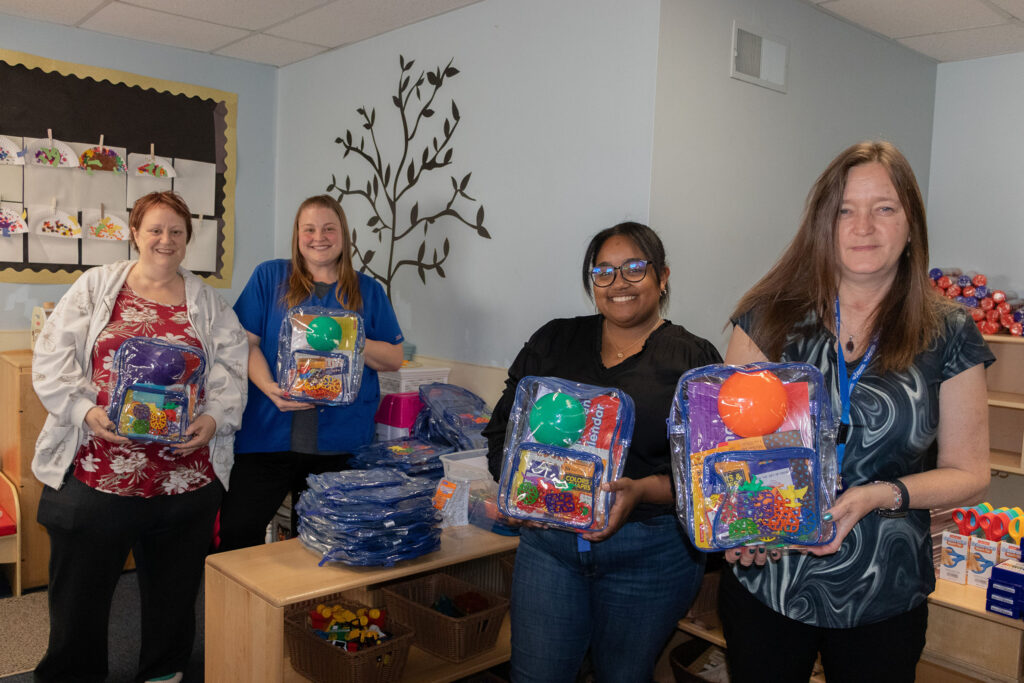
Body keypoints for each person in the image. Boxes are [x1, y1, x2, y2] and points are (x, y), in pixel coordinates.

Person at [719, 141, 992, 682]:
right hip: (773, 579)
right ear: (824, 224)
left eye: (884, 208)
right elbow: (725, 450)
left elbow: (972, 472)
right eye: (845, 209)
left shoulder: (951, 333)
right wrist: (740, 527)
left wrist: (882, 494)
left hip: (884, 592)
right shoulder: (769, 316)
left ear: (910, 225)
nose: (863, 225)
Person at [482, 222, 721, 683]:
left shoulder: (692, 359)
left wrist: (643, 491)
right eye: (604, 272)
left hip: (649, 552)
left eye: (634, 268)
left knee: (624, 676)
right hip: (549, 547)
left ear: (663, 277)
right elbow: (502, 432)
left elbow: (709, 474)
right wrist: (517, 492)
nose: (619, 284)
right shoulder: (554, 341)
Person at [31, 191, 249, 683]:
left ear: (187, 239)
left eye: (176, 231)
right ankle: (73, 676)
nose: (165, 240)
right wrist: (85, 411)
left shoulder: (208, 304)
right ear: (134, 233)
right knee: (79, 597)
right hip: (99, 475)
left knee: (174, 594)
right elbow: (51, 358)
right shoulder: (96, 287)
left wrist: (213, 420)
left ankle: (164, 672)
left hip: (183, 481)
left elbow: (232, 373)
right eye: (154, 229)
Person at [218, 194, 403, 551]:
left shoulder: (367, 290)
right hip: (266, 435)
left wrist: (347, 340)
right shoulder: (270, 277)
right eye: (310, 229)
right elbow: (245, 343)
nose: (319, 237)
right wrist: (270, 387)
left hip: (340, 444)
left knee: (326, 545)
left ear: (343, 235)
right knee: (237, 536)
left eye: (329, 228)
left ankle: (314, 610)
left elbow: (393, 357)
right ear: (297, 235)